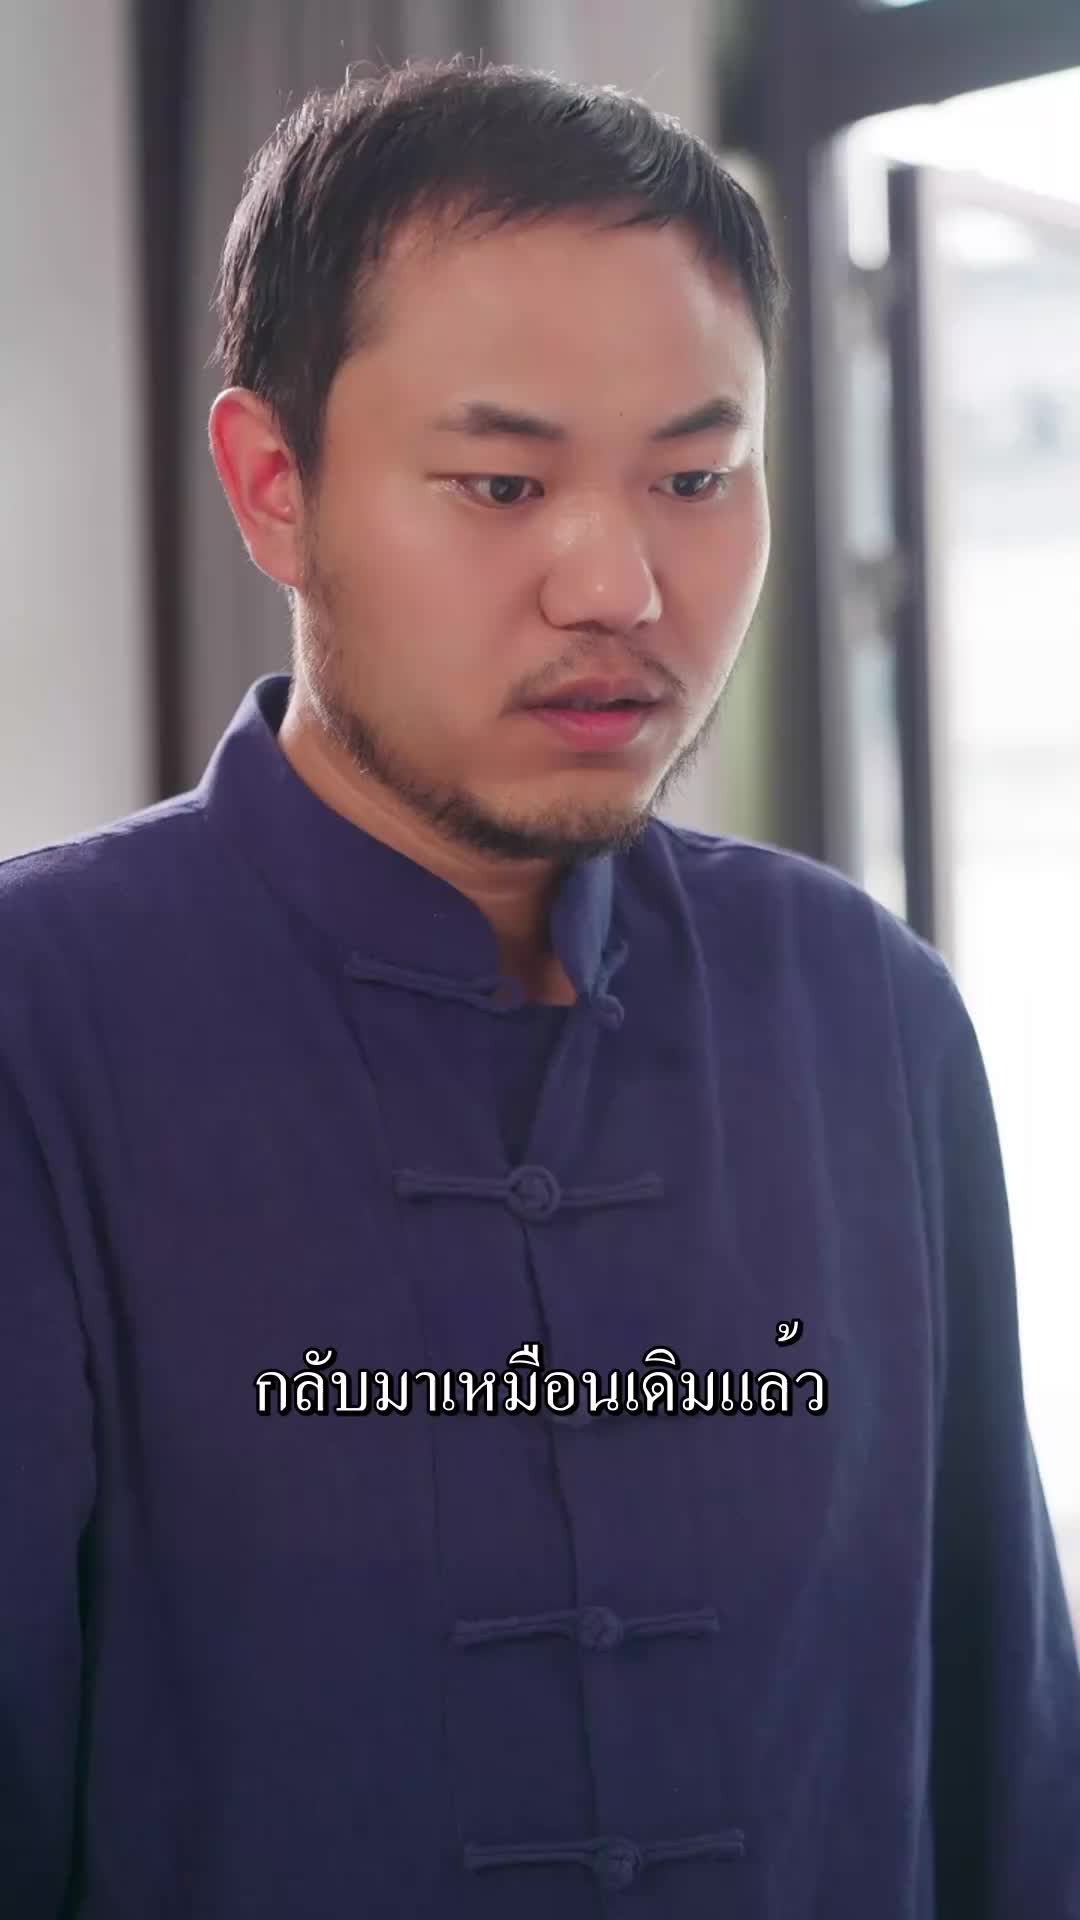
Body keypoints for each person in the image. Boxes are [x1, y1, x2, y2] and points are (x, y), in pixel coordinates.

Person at [2, 53, 1078, 1920]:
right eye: (501, 483)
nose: (618, 585)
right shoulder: (42, 1023)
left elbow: (1015, 1777)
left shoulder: (867, 1016)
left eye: (696, 478)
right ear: (273, 486)